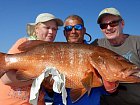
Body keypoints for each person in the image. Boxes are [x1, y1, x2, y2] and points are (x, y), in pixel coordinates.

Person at [53, 15, 117, 105]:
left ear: (84, 30)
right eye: (68, 28)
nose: (73, 31)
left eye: (78, 27)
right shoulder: (54, 52)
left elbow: (105, 90)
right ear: (64, 33)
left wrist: (110, 88)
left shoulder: (97, 54)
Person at [0, 13, 63, 105]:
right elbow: (7, 79)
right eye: (47, 27)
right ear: (36, 29)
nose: (51, 32)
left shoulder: (54, 52)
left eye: (54, 29)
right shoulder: (24, 43)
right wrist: (42, 77)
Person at [91, 7, 140, 105]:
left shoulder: (137, 42)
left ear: (122, 23)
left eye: (113, 23)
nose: (108, 28)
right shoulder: (96, 45)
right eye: (103, 25)